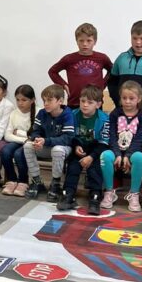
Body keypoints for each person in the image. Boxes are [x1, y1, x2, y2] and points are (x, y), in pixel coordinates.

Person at [57, 85, 110, 214]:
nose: (85, 105)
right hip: (78, 149)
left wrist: (91, 156)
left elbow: (104, 143)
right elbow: (69, 135)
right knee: (73, 167)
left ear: (98, 104)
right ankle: (68, 194)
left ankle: (95, 197)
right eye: (82, 101)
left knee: (94, 169)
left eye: (90, 102)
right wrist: (76, 146)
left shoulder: (104, 119)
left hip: (95, 150)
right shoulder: (73, 115)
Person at [101, 80, 142, 211]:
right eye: (124, 98)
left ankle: (134, 194)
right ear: (120, 98)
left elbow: (140, 139)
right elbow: (112, 136)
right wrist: (117, 154)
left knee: (139, 158)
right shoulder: (115, 114)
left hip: (133, 151)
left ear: (139, 99)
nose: (127, 101)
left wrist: (127, 155)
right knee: (105, 156)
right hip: (115, 150)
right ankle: (109, 192)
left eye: (131, 98)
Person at [23, 84, 74, 201]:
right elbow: (35, 131)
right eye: (44, 100)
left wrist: (46, 141)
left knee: (57, 150)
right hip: (46, 145)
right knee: (28, 146)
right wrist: (37, 140)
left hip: (63, 148)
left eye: (49, 100)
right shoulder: (42, 113)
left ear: (60, 101)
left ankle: (55, 184)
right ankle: (37, 181)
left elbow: (67, 138)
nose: (45, 103)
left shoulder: (68, 114)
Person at [47, 23, 112, 108]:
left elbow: (113, 71)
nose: (85, 44)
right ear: (76, 41)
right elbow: (52, 72)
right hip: (74, 103)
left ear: (95, 41)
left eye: (89, 40)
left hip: (95, 103)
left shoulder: (102, 58)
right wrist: (64, 85)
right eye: (81, 40)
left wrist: (103, 84)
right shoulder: (69, 59)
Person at [0, 85, 35, 196]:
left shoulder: (39, 112)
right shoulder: (14, 113)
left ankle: (23, 181)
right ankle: (12, 180)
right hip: (22, 141)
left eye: (24, 100)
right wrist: (25, 139)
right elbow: (7, 135)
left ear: (32, 100)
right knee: (5, 151)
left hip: (32, 144)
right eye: (18, 100)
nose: (20, 103)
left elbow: (35, 136)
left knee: (19, 154)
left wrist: (19, 132)